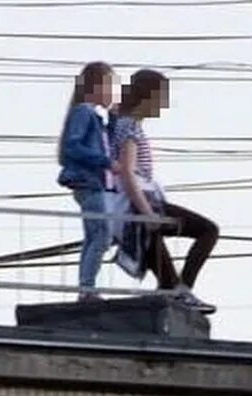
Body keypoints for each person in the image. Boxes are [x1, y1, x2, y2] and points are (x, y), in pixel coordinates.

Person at [109, 69, 219, 314]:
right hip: (140, 202)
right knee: (208, 230)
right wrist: (147, 213)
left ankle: (177, 293)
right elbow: (127, 173)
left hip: (135, 205)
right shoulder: (129, 127)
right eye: (162, 97)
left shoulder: (124, 122)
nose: (164, 104)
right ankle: (183, 291)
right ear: (148, 97)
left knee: (165, 276)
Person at [57, 61, 119, 301]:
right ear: (96, 86)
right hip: (89, 183)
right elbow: (73, 146)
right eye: (109, 86)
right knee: (101, 235)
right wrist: (105, 162)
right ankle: (87, 288)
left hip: (96, 185)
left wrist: (113, 119)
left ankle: (86, 287)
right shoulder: (84, 112)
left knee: (96, 235)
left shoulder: (95, 118)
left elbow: (109, 142)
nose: (112, 92)